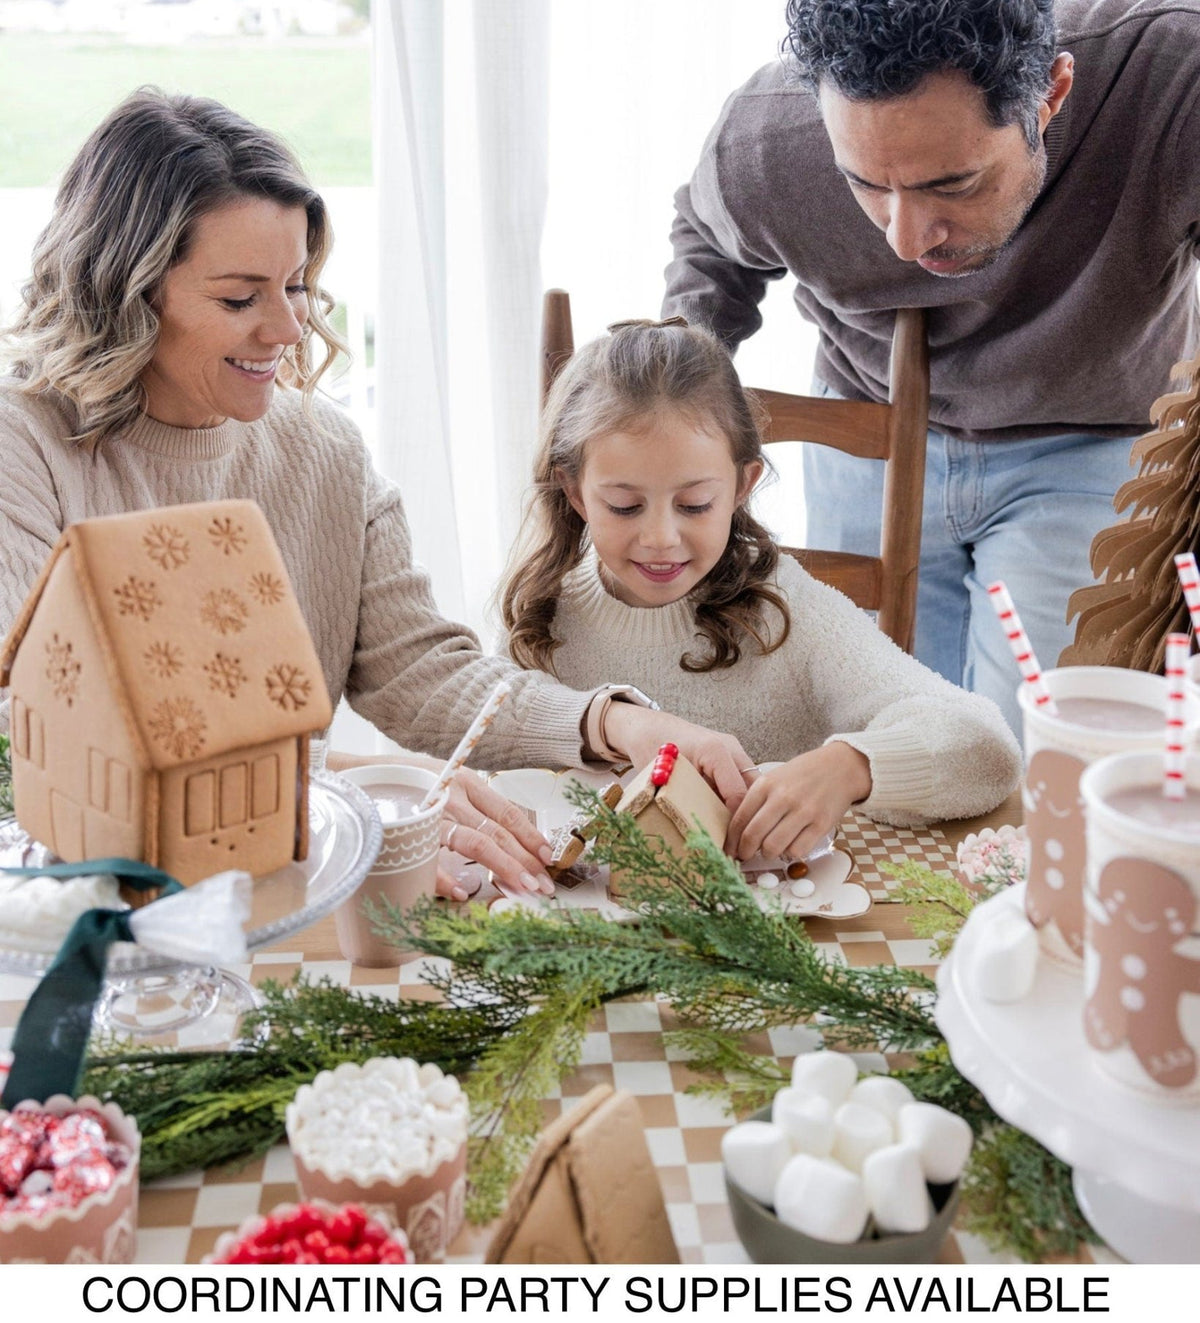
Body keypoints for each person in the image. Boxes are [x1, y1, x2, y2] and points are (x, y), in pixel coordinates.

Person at [0, 89, 754, 901]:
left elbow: (424, 674)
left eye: (295, 285)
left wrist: (617, 724)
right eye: (239, 297)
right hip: (84, 899)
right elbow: (38, 725)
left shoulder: (323, 450)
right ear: (127, 292)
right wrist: (348, 794)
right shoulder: (26, 441)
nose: (289, 330)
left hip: (272, 880)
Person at [663, 0, 1200, 736]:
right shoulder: (767, 144)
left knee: (1032, 740)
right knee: (874, 728)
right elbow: (707, 244)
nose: (906, 238)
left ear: (1051, 94)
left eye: (953, 183)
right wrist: (679, 399)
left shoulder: (1172, 81)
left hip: (1089, 436)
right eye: (867, 185)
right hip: (869, 429)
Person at [500, 319, 1020, 860]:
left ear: (741, 486)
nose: (659, 539)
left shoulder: (786, 609)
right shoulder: (543, 618)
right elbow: (492, 780)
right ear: (575, 492)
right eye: (625, 506)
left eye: (695, 504)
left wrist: (850, 766)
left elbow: (989, 749)